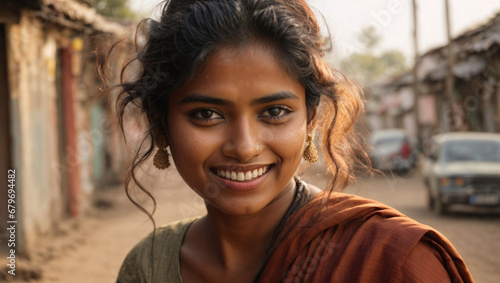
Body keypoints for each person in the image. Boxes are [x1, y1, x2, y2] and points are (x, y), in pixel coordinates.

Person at [112, 0, 474, 282]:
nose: (244, 146)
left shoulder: (393, 261)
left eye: (274, 112)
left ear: (311, 118)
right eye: (207, 114)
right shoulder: (148, 268)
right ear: (162, 125)